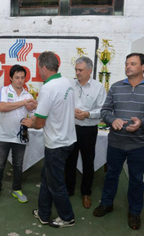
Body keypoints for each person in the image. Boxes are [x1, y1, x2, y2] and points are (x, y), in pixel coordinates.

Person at [93, 53, 144, 230]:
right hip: (116, 143)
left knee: (136, 180)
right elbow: (105, 111)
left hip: (139, 145)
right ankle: (107, 203)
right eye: (126, 64)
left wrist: (142, 123)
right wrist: (112, 120)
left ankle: (134, 212)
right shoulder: (116, 87)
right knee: (111, 176)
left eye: (132, 64)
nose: (128, 67)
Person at [21, 51, 76, 228]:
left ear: (44, 67)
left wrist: (29, 122)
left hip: (56, 143)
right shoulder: (66, 82)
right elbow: (58, 106)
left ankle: (68, 217)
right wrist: (39, 105)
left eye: (39, 67)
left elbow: (39, 123)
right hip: (67, 139)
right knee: (47, 177)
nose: (39, 71)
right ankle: (43, 213)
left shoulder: (48, 87)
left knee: (56, 184)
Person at [0, 65, 37, 205]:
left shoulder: (28, 95)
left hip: (20, 136)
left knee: (18, 164)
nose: (20, 80)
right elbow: (3, 107)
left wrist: (30, 120)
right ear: (10, 78)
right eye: (17, 77)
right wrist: (23, 103)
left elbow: (34, 115)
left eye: (22, 78)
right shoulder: (4, 90)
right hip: (3, 135)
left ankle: (17, 189)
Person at [64, 56, 106, 209]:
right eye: (76, 69)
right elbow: (62, 102)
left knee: (88, 162)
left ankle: (86, 192)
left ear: (90, 70)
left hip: (88, 129)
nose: (77, 73)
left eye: (80, 70)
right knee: (70, 160)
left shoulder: (98, 87)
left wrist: (87, 114)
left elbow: (103, 110)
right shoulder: (69, 84)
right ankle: (68, 189)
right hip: (71, 127)